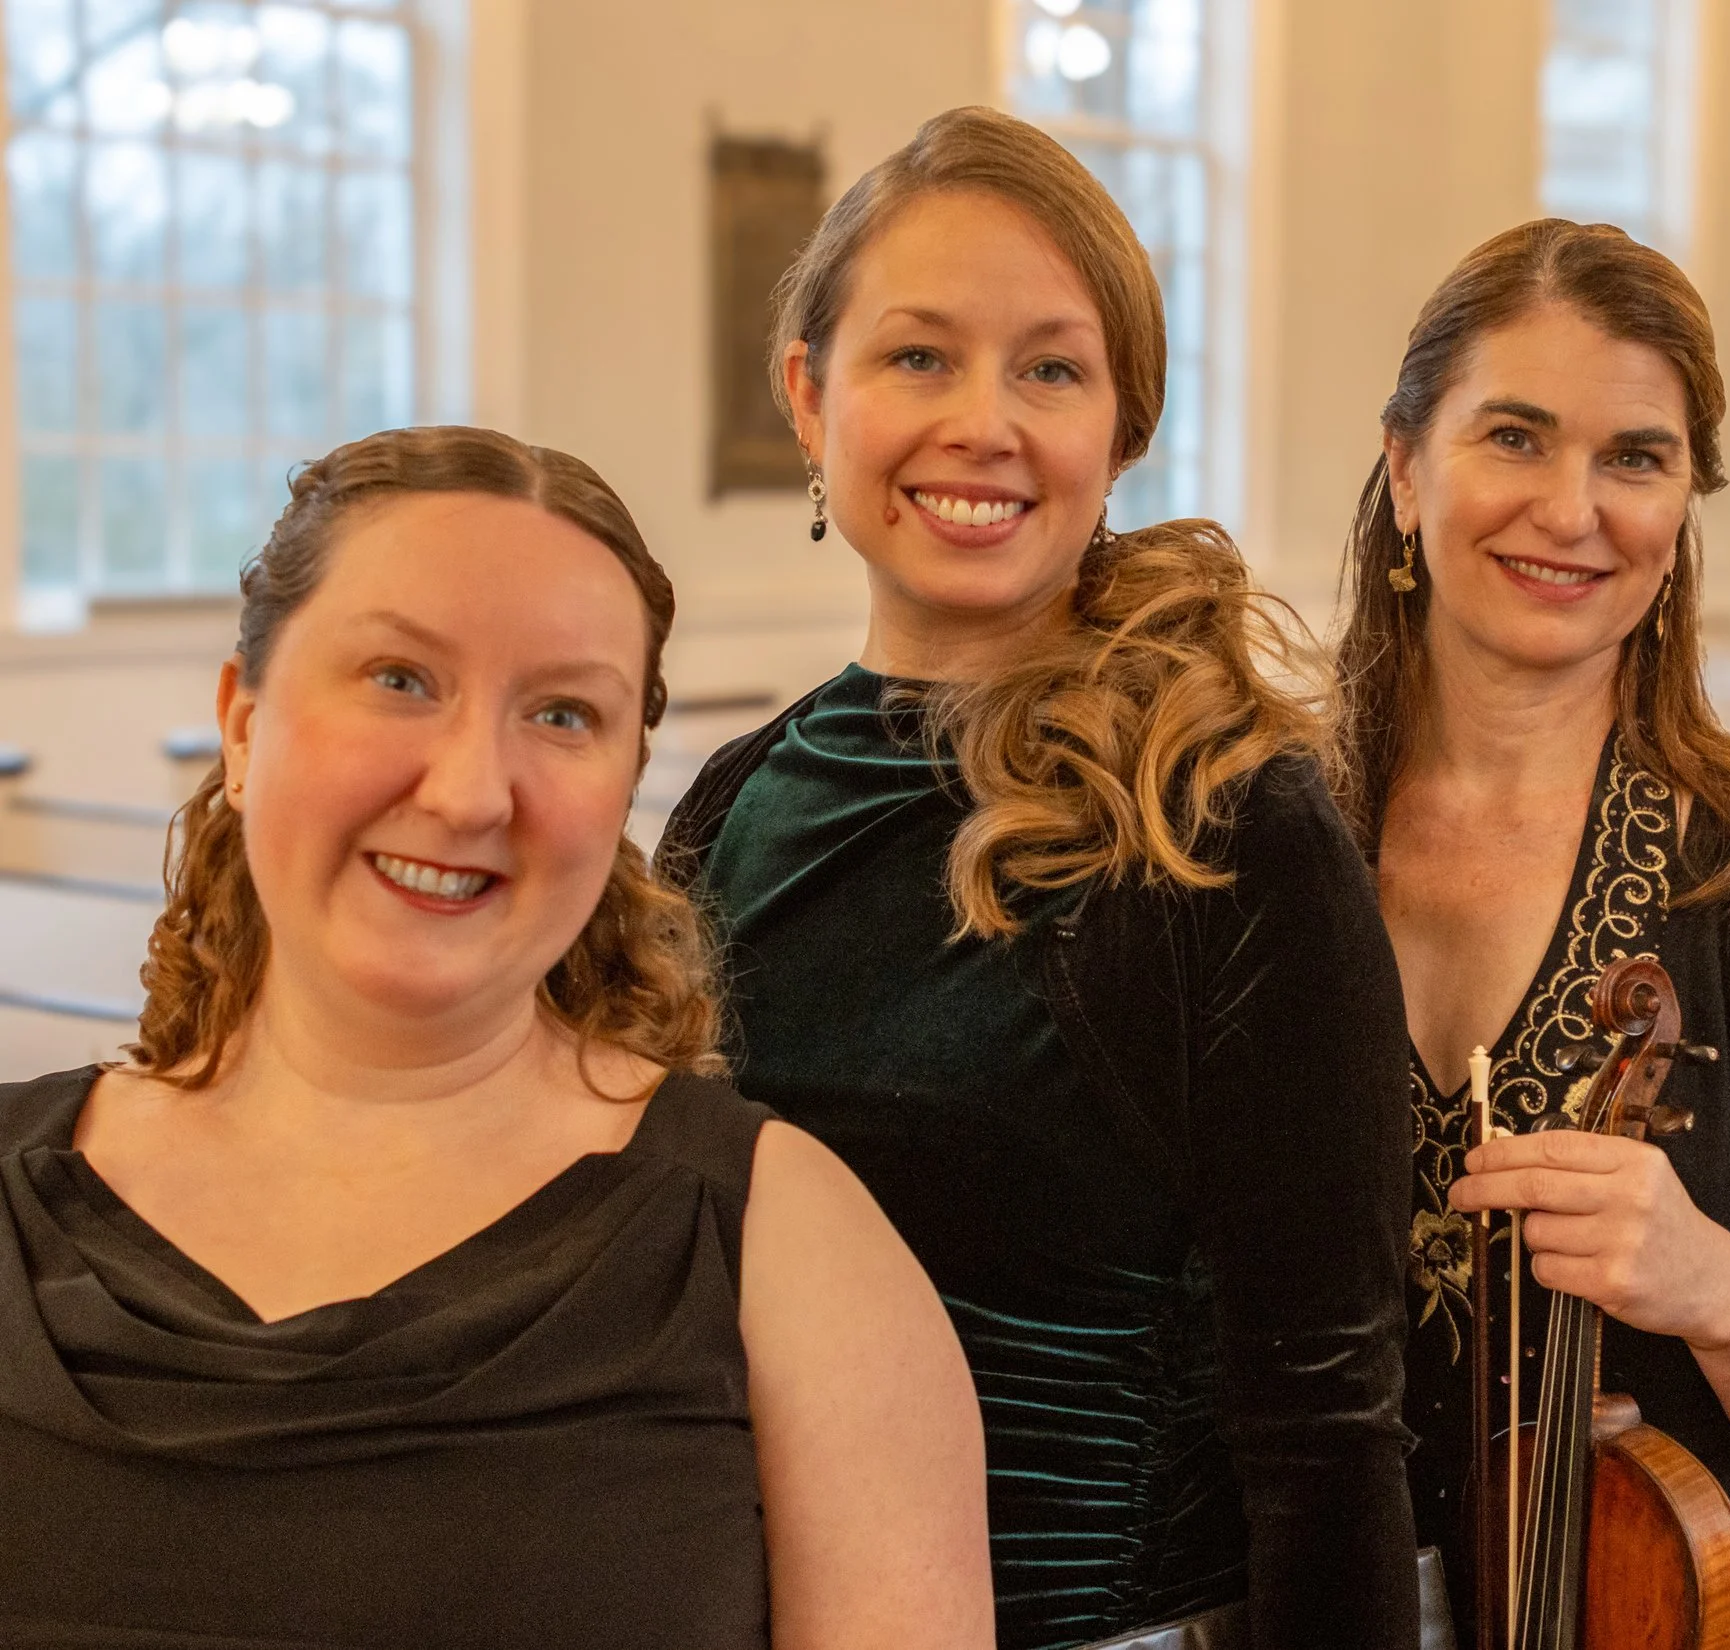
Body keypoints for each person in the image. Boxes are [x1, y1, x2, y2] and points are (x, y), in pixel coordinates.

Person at [0, 427, 991, 1650]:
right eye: (401, 680)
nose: (472, 791)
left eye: (563, 713)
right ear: (243, 727)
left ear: (626, 779)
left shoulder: (790, 1248)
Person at [658, 108, 1417, 1650]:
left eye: (1052, 368)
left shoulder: (1229, 822)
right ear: (810, 393)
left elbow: (1329, 1417)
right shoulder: (730, 810)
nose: (982, 422)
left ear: (1123, 428)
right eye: (919, 356)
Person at [1332, 218, 1730, 1650]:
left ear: (1682, 509)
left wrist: (1713, 1282)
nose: (1572, 507)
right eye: (1515, 437)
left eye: (1635, 458)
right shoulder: (1263, 853)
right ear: (1408, 469)